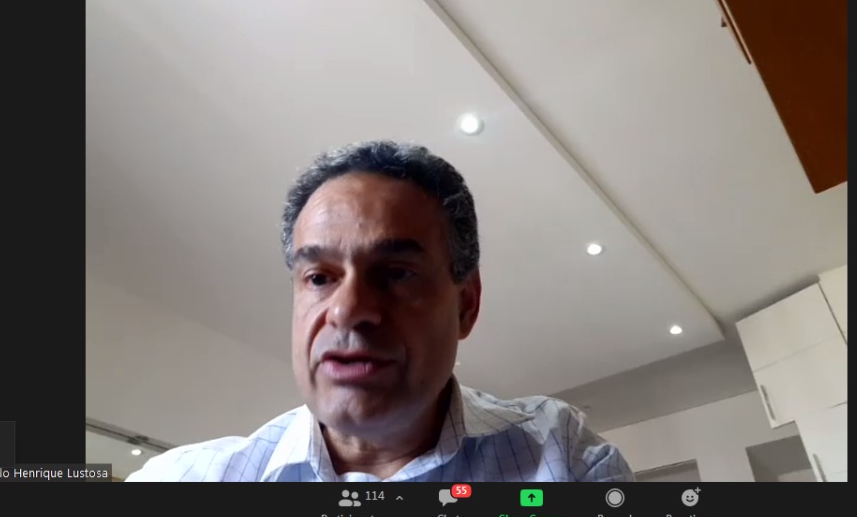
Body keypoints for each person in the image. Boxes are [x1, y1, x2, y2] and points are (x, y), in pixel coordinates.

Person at [127, 140, 635, 482]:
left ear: (466, 304)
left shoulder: (561, 458)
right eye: (319, 277)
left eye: (395, 273)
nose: (348, 311)